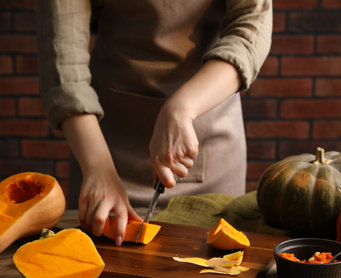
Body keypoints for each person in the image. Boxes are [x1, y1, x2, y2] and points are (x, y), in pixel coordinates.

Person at [36, 0, 272, 246]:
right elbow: (63, 60)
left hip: (212, 142)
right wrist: (97, 166)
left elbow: (250, 29)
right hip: (100, 146)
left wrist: (181, 108)